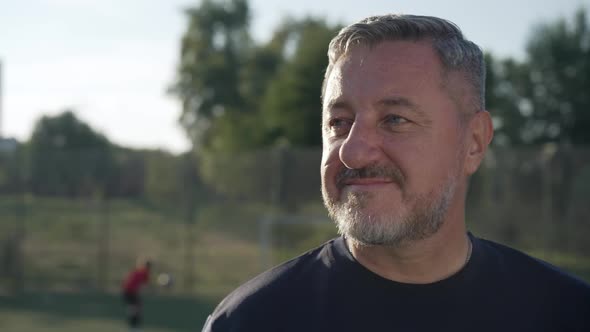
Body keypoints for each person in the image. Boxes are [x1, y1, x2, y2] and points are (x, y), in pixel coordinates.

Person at [202, 14, 590, 332]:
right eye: (339, 122)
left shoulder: (566, 314)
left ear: (474, 141)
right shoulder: (250, 322)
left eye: (394, 119)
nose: (353, 152)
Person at [122, 258, 152, 331]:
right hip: (130, 292)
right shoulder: (144, 272)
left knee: (134, 309)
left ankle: (133, 326)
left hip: (128, 291)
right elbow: (144, 286)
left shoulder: (138, 271)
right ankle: (134, 327)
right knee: (135, 309)